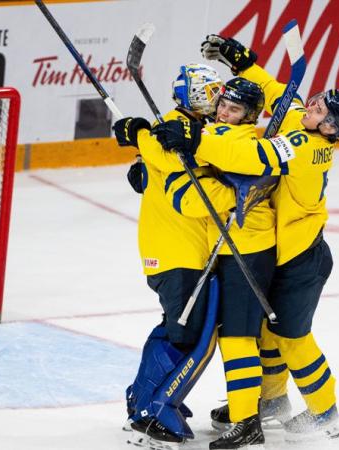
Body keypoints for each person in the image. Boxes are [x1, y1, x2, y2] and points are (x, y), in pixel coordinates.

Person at [152, 34, 339, 443]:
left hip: (302, 259)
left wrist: (196, 138)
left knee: (291, 337)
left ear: (331, 126)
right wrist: (245, 65)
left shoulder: (306, 147)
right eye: (316, 99)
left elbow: (253, 158)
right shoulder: (305, 127)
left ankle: (325, 411)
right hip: (284, 251)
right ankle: (270, 403)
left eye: (319, 107)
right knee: (267, 333)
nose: (311, 103)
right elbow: (278, 94)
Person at [156, 77, 277, 450]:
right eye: (223, 104)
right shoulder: (220, 133)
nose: (224, 111)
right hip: (230, 247)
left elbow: (201, 149)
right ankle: (248, 409)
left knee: (238, 337)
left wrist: (161, 137)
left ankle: (247, 422)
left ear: (250, 116)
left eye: (235, 109)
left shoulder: (237, 142)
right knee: (234, 335)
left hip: (246, 250)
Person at [111, 63, 224, 446]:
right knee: (189, 336)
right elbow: (172, 160)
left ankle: (143, 397)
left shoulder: (188, 131)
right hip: (178, 252)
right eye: (211, 92)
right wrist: (143, 134)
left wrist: (141, 140)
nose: (218, 99)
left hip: (179, 248)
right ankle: (152, 409)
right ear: (193, 96)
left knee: (179, 328)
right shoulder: (172, 133)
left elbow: (147, 174)